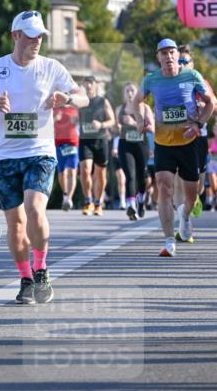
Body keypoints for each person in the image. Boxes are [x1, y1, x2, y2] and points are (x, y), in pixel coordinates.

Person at [0, 10, 87, 305]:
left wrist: (66, 99)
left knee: (34, 208)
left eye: (41, 35)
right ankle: (26, 278)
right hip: (5, 157)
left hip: (40, 153)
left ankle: (41, 269)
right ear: (15, 35)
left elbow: (84, 97)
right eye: (31, 35)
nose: (37, 41)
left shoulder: (52, 67)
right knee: (16, 224)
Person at [133, 38, 214, 257]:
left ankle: (185, 217)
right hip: (163, 144)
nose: (168, 57)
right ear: (158, 57)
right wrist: (141, 121)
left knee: (191, 195)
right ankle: (169, 241)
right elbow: (136, 101)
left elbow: (210, 102)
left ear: (177, 55)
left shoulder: (192, 76)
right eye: (163, 53)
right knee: (164, 186)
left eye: (171, 52)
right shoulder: (151, 79)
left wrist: (198, 124)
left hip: (189, 143)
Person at [173, 45, 216, 227]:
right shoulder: (171, 82)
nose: (181, 64)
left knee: (197, 184)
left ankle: (194, 200)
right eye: (179, 61)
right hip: (177, 137)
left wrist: (202, 108)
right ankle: (183, 220)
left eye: (185, 61)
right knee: (178, 179)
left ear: (193, 63)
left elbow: (214, 105)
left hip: (199, 137)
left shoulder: (202, 82)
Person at [115, 82, 154, 221]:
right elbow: (115, 129)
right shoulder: (120, 109)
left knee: (141, 177)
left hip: (141, 145)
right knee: (130, 175)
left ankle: (141, 201)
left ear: (138, 92)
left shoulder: (145, 108)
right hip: (125, 145)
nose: (130, 93)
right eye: (127, 91)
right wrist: (117, 126)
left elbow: (151, 128)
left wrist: (134, 123)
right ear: (124, 94)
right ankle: (131, 206)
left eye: (132, 90)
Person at [78, 76, 115, 216]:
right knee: (85, 170)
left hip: (101, 139)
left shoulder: (102, 101)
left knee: (100, 173)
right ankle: (88, 201)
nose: (88, 86)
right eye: (85, 83)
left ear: (95, 85)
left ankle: (98, 202)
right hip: (85, 139)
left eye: (90, 83)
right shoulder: (81, 102)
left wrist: (101, 125)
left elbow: (112, 120)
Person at [53, 100, 80, 210]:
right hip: (59, 143)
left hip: (73, 142)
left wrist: (77, 121)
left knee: (72, 171)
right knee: (61, 172)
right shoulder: (54, 109)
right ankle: (65, 194)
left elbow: (82, 122)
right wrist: (55, 119)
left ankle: (69, 198)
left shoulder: (75, 109)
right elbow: (45, 125)